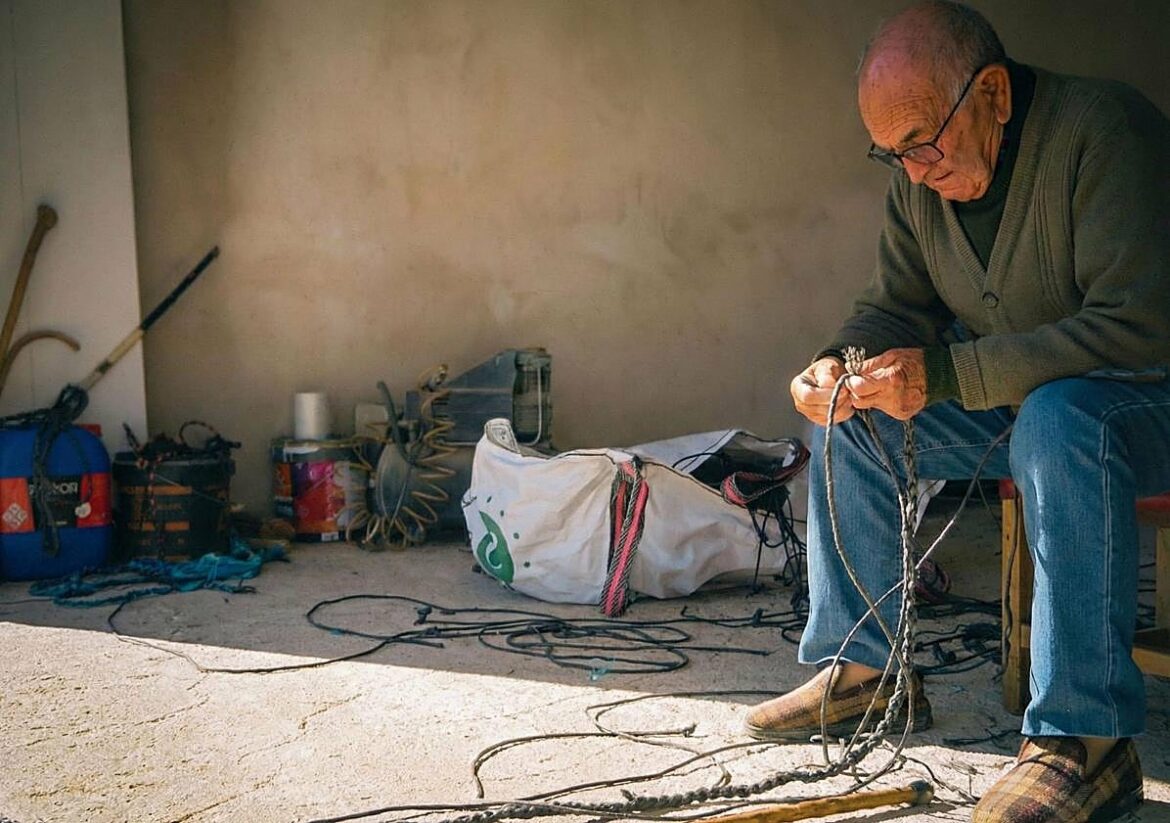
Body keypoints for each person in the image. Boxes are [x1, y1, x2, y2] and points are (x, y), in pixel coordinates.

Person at [743, 2, 1170, 821]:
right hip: (1035, 406)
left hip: (1144, 404)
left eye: (921, 143)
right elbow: (895, 308)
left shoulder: (1106, 135)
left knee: (1060, 419)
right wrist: (843, 360)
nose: (909, 171)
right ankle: (870, 674)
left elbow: (1138, 326)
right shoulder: (922, 180)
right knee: (852, 416)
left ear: (995, 97)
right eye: (890, 153)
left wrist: (947, 373)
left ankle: (1087, 743)